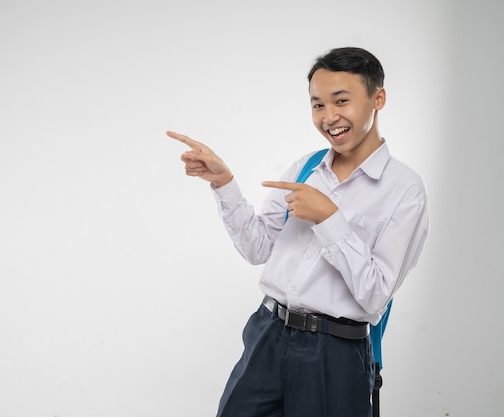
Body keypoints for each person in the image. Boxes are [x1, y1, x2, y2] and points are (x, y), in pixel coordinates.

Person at [167, 46, 429, 417]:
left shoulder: (404, 190)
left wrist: (329, 219)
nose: (329, 117)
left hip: (334, 353)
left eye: (341, 100)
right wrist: (223, 183)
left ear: (378, 98)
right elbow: (257, 248)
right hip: (267, 335)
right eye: (318, 105)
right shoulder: (305, 168)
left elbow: (375, 295)